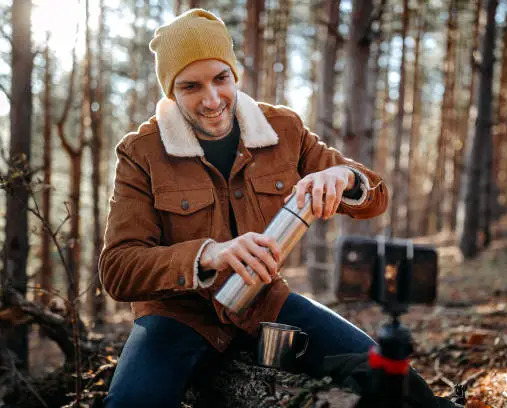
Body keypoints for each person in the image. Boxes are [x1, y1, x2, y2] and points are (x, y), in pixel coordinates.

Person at [99, 8, 388, 407]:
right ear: (171, 92)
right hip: (177, 314)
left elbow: (376, 197)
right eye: (191, 86)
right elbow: (118, 268)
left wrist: (343, 177)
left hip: (265, 304)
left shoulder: (282, 129)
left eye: (221, 78)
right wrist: (209, 254)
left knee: (384, 373)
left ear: (234, 74)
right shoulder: (141, 152)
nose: (212, 99)